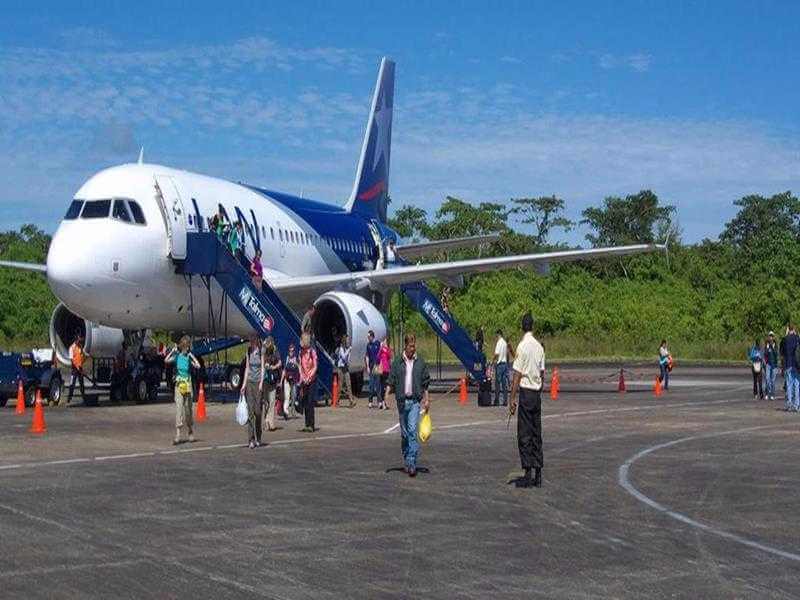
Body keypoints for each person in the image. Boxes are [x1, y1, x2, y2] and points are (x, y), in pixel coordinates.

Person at [383, 333, 431, 477]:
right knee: (404, 434)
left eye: (414, 345)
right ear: (405, 345)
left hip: (415, 401)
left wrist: (427, 400)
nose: (412, 348)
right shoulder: (398, 362)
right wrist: (386, 396)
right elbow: (391, 381)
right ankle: (407, 458)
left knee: (412, 432)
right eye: (410, 346)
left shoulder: (420, 363)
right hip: (402, 402)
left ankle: (411, 463)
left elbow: (425, 383)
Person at [508, 313, 546, 488]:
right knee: (536, 432)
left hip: (525, 393)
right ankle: (538, 472)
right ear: (533, 326)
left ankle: (528, 470)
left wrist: (512, 398)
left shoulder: (522, 347)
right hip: (536, 394)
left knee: (524, 433)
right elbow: (542, 373)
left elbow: (517, 375)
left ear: (522, 327)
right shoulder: (539, 347)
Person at [164, 336, 201, 445]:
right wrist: (172, 352)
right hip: (179, 385)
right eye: (184, 347)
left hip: (188, 385)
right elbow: (166, 360)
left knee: (188, 410)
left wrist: (192, 356)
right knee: (179, 408)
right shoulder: (177, 357)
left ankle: (190, 430)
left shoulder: (188, 358)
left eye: (187, 347)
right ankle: (178, 434)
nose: (185, 349)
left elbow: (198, 366)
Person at [242, 334, 264, 448]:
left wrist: (261, 383)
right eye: (250, 340)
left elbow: (263, 368)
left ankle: (259, 436)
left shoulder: (261, 351)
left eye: (252, 340)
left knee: (258, 412)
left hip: (258, 383)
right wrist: (244, 385)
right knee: (250, 412)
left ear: (256, 340)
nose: (250, 342)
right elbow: (247, 368)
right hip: (250, 382)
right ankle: (251, 439)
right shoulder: (248, 350)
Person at [299, 332, 318, 432]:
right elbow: (300, 366)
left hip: (312, 379)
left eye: (302, 339)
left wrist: (309, 376)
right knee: (305, 401)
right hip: (304, 379)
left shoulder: (312, 352)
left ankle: (311, 424)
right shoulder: (301, 352)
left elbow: (315, 366)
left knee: (310, 401)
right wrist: (303, 377)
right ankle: (306, 424)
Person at [262, 337, 282, 432]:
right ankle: (266, 421)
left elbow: (280, 363)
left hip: (273, 379)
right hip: (265, 379)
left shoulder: (275, 350)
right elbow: (262, 362)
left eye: (269, 344)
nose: (267, 347)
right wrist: (265, 365)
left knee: (272, 401)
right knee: (266, 402)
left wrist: (273, 367)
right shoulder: (264, 350)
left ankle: (271, 422)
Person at [783, 324, 800, 411]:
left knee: (789, 385)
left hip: (788, 364)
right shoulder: (797, 338)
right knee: (797, 385)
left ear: (788, 329)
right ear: (794, 329)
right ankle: (797, 405)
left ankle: (789, 404)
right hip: (797, 365)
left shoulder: (786, 339)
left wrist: (786, 335)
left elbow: (782, 351)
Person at [67, 333, 88, 403]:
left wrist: (85, 356)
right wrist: (77, 367)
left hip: (80, 367)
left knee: (81, 383)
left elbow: (82, 356)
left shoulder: (80, 347)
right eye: (79, 340)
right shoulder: (72, 348)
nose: (80, 342)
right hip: (74, 369)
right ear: (76, 340)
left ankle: (84, 397)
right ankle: (69, 397)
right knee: (72, 383)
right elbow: (72, 360)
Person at [281, 342, 300, 419]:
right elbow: (284, 370)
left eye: (292, 351)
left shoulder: (296, 358)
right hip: (287, 380)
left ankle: (293, 411)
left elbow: (299, 369)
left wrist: (300, 379)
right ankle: (286, 411)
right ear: (288, 351)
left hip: (294, 380)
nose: (291, 352)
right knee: (287, 396)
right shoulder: (286, 358)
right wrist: (281, 381)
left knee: (294, 396)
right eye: (290, 351)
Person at [335, 335, 355, 408]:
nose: (348, 341)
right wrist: (348, 350)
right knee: (340, 384)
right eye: (346, 340)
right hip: (341, 368)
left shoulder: (347, 348)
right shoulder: (341, 348)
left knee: (348, 384)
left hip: (346, 367)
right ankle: (337, 401)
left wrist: (349, 352)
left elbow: (347, 358)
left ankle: (351, 401)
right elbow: (343, 357)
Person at [365, 330, 382, 408]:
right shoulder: (368, 345)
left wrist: (381, 364)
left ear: (372, 336)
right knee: (371, 384)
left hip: (377, 366)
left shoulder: (378, 343)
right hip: (371, 366)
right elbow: (367, 356)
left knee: (378, 384)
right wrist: (368, 366)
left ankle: (379, 401)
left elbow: (381, 354)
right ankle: (370, 401)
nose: (368, 338)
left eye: (369, 337)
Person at [493, 329, 509, 406]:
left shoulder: (499, 343)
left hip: (499, 365)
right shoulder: (505, 343)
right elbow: (507, 354)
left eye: (496, 335)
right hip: (505, 364)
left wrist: (493, 360)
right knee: (504, 383)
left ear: (498, 334)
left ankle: (497, 400)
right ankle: (505, 401)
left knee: (497, 384)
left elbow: (496, 354)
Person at [378, 337, 393, 409]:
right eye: (384, 341)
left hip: (387, 369)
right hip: (382, 369)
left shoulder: (388, 350)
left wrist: (386, 349)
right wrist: (381, 349)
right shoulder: (381, 349)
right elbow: (378, 357)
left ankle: (383, 402)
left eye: (386, 341)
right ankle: (381, 402)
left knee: (386, 386)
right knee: (382, 385)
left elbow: (390, 356)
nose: (384, 342)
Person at [764, 331, 779, 401]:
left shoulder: (775, 345)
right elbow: (765, 354)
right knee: (767, 379)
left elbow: (776, 355)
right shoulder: (767, 345)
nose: (771, 337)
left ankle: (772, 394)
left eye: (772, 336)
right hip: (768, 365)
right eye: (770, 336)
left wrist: (773, 348)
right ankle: (767, 393)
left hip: (774, 365)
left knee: (772, 380)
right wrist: (767, 348)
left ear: (773, 337)